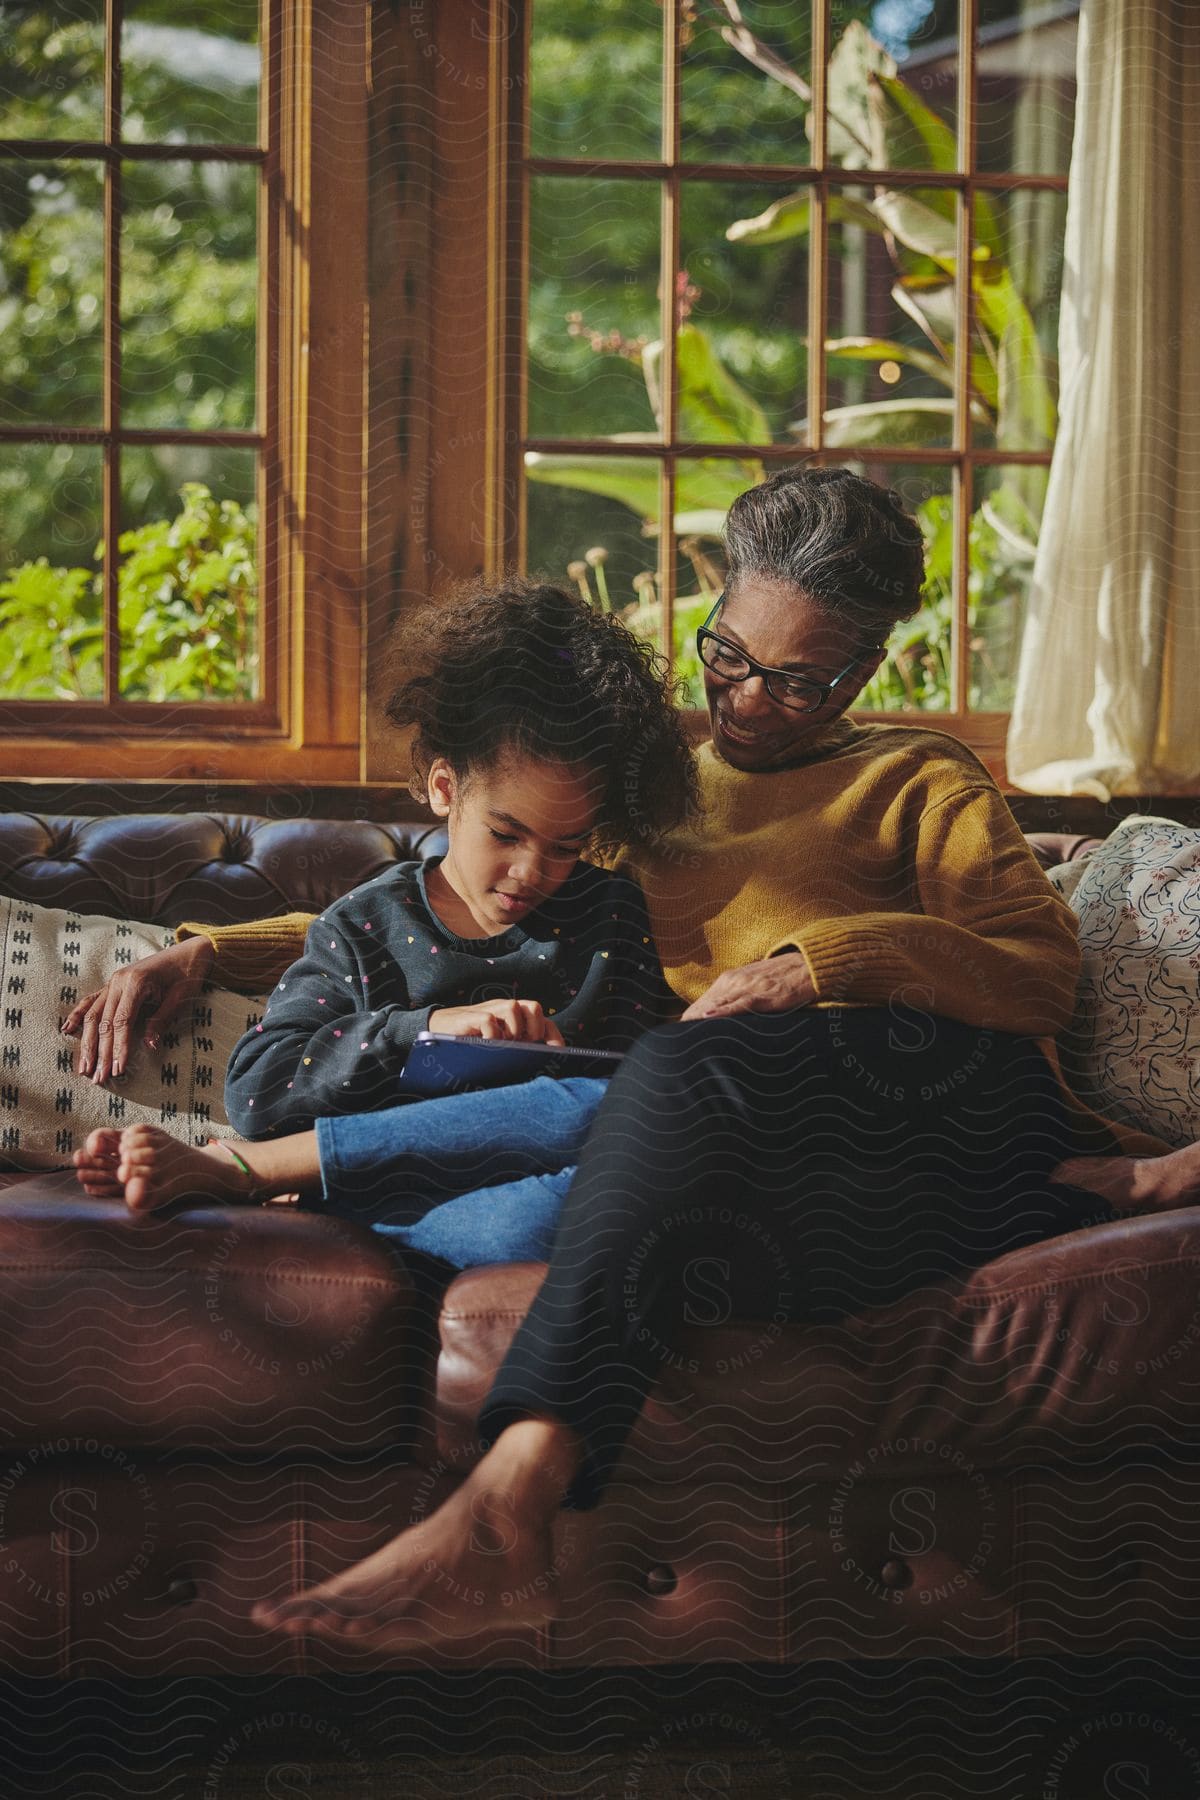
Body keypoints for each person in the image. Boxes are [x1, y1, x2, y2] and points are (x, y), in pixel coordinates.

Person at [65, 468, 1198, 1650]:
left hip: (935, 1085)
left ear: (859, 673)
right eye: (729, 657)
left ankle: (506, 1502)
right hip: (753, 1132)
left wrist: (826, 965)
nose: (749, 700)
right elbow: (464, 900)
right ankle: (1048, 1207)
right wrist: (202, 950)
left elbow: (1037, 973)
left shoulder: (918, 779)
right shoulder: (652, 793)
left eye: (798, 679)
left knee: (658, 1076)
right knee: (687, 1198)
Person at [71, 579, 695, 1266]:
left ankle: (265, 1176)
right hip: (387, 1192)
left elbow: (635, 1093)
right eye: (507, 833)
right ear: (444, 787)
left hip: (513, 1204)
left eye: (566, 846)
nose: (531, 871)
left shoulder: (609, 913)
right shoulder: (366, 925)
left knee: (606, 1135)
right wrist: (426, 1031)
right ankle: (243, 1168)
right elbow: (258, 1088)